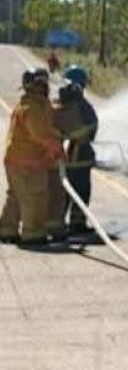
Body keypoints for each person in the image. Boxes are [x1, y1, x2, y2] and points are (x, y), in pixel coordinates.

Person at [0, 70, 64, 245]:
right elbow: (41, 134)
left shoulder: (27, 105)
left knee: (16, 196)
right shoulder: (34, 108)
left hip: (15, 160)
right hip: (29, 163)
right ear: (37, 85)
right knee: (35, 196)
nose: (46, 87)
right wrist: (56, 148)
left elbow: (48, 118)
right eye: (43, 84)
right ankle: (33, 234)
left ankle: (7, 230)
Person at [56, 66, 98, 233]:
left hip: (65, 155)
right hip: (81, 154)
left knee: (64, 190)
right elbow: (92, 128)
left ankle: (58, 222)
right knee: (81, 190)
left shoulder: (61, 104)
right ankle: (77, 223)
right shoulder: (83, 106)